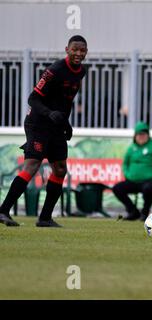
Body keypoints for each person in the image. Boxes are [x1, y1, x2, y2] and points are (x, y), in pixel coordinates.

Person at [0, 35, 88, 227]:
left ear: (86, 52)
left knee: (60, 169)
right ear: (67, 50)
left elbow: (66, 101)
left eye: (82, 50)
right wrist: (49, 113)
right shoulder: (54, 70)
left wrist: (66, 124)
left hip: (56, 125)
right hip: (38, 123)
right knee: (32, 165)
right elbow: (32, 99)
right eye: (75, 49)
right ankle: (3, 211)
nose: (78, 53)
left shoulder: (81, 72)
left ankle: (45, 218)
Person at [113, 122, 152, 221]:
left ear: (148, 135)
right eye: (139, 134)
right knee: (117, 188)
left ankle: (145, 212)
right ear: (135, 136)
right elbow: (125, 163)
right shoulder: (132, 148)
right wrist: (127, 174)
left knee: (148, 188)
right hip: (133, 181)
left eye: (143, 134)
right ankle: (133, 211)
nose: (141, 136)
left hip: (150, 181)